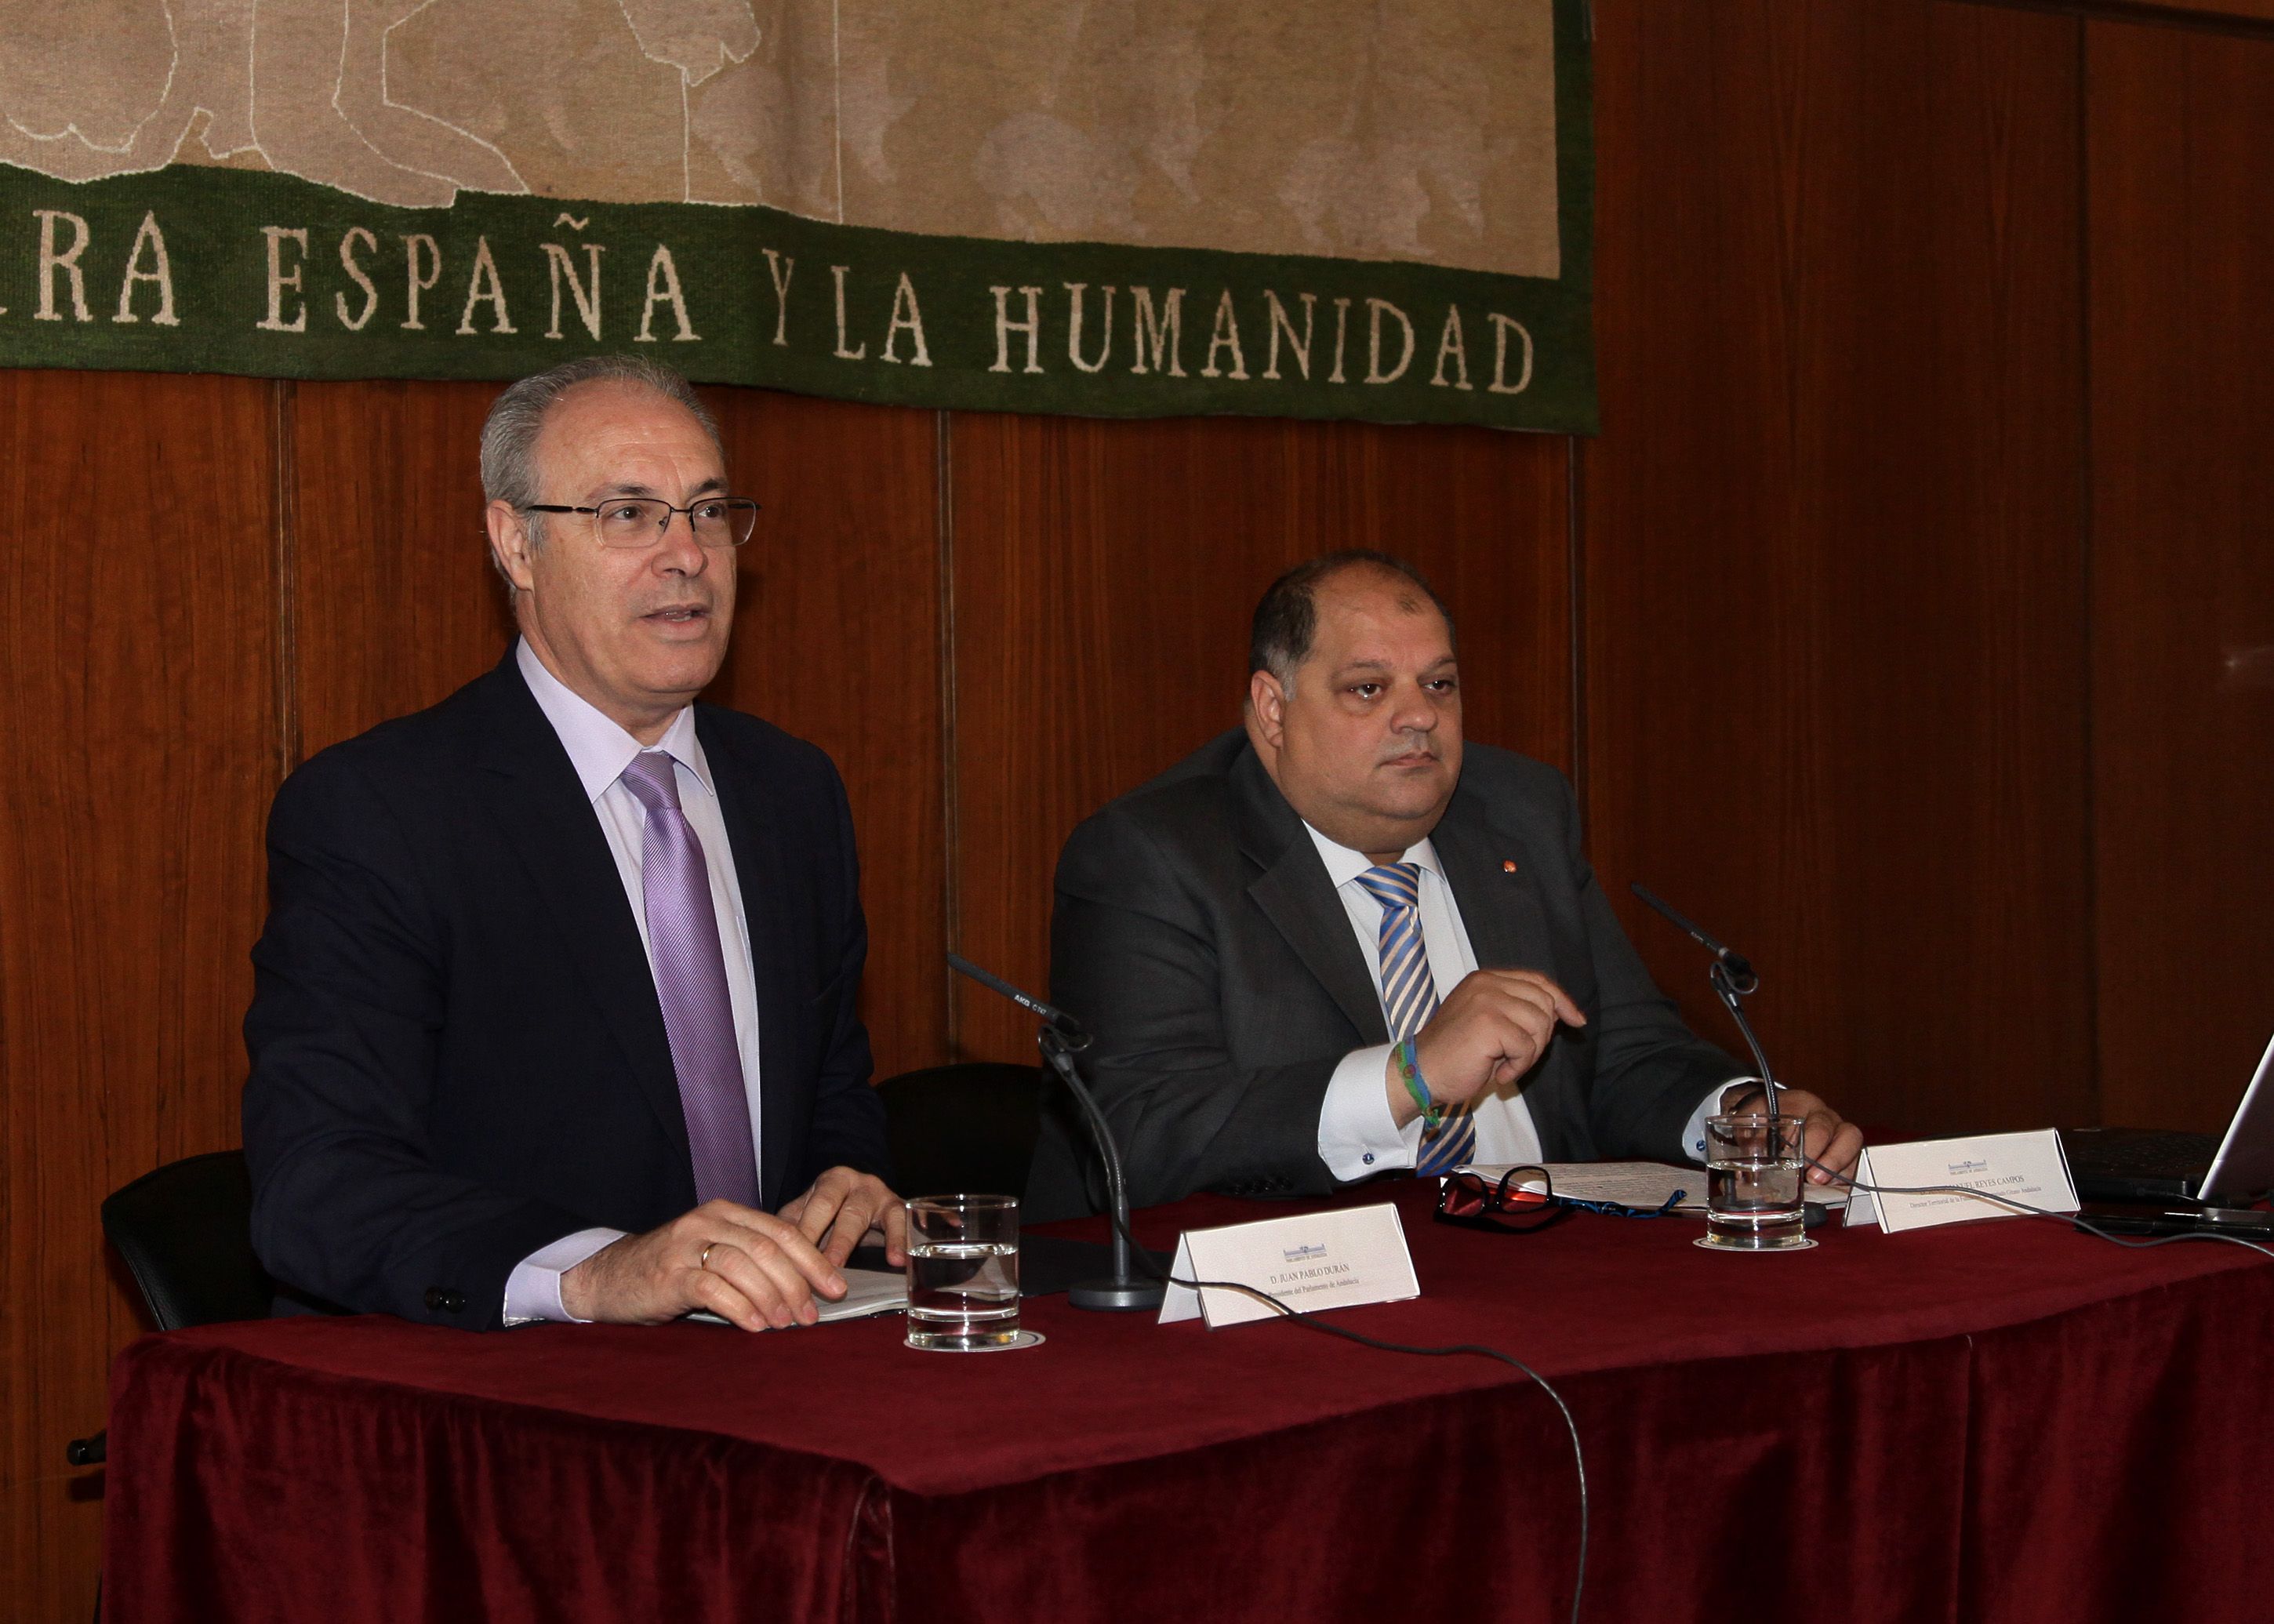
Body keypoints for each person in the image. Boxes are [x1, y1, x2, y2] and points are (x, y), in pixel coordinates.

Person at [244, 357, 902, 1333]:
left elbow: (828, 1097)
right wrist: (596, 1275)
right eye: (627, 514)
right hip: (510, 1410)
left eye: (709, 511)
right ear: (515, 544)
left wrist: (844, 1189)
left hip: (778, 1376)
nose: (686, 554)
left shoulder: (790, 792)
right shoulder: (383, 812)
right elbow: (321, 1184)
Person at [1028, 550, 1863, 1219]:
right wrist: (1411, 1076)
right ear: (1272, 711)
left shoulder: (1520, 814)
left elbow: (1624, 1054)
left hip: (1543, 1256)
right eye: (1367, 688)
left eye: (1438, 683)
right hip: (1304, 1296)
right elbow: (1140, 1136)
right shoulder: (1153, 854)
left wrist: (1741, 1111)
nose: (1419, 715)